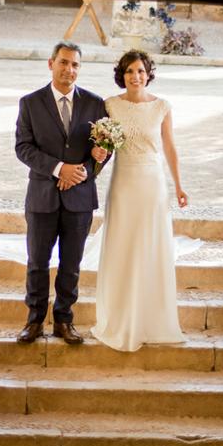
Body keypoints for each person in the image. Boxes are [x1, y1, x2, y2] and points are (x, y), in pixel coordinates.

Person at [90, 50, 188, 352]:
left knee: (149, 246)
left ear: (149, 74)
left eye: (141, 71)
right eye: (130, 71)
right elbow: (101, 145)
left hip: (152, 185)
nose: (136, 76)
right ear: (123, 75)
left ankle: (150, 319)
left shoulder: (162, 106)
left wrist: (179, 185)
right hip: (123, 183)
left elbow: (170, 148)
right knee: (122, 246)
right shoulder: (110, 105)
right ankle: (120, 317)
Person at [14, 41, 108, 345]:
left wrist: (82, 171)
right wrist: (58, 169)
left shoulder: (95, 104)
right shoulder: (30, 103)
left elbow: (104, 148)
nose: (69, 69)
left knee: (71, 264)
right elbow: (23, 147)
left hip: (79, 198)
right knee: (37, 262)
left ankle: (64, 320)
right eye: (64, 62)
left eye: (75, 64)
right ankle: (34, 320)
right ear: (51, 64)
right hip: (42, 197)